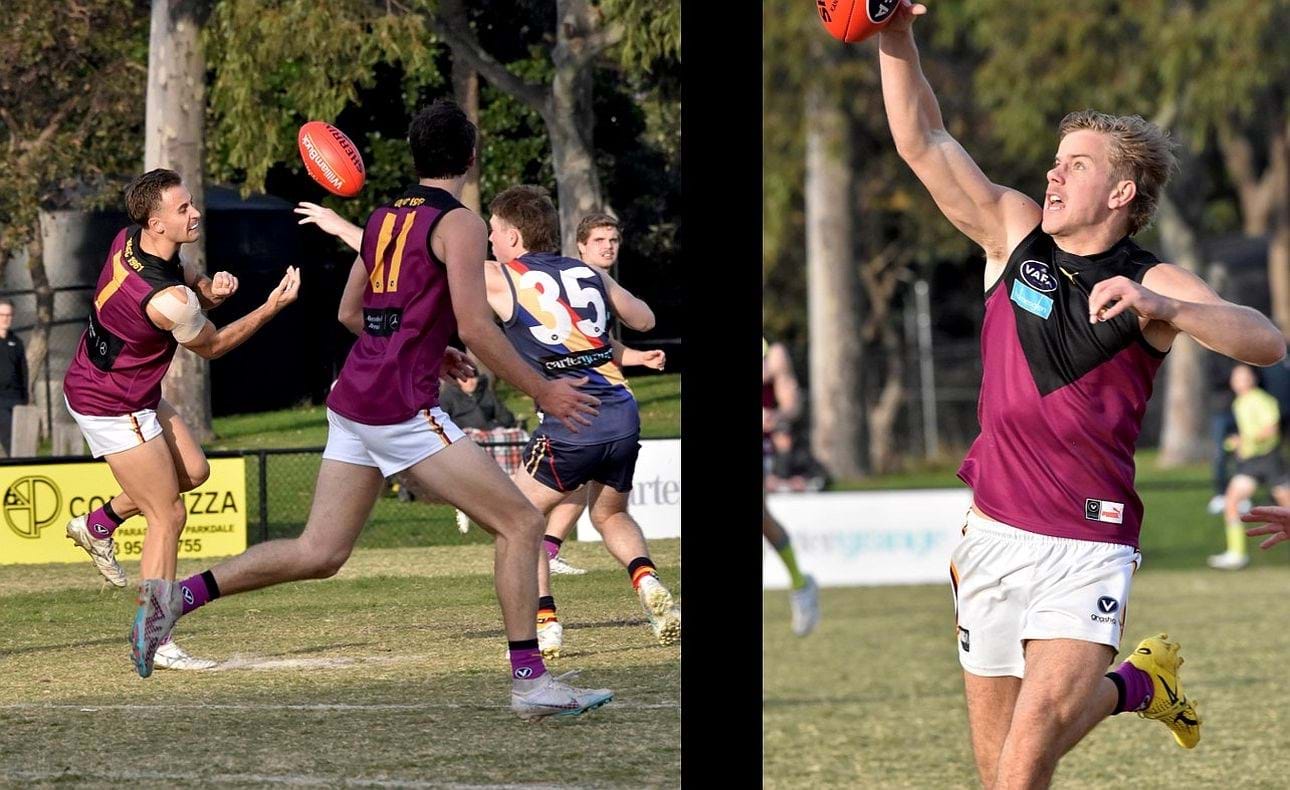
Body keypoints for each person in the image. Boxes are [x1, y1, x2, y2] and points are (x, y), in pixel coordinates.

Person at [879, 2, 1286, 784]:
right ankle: (1139, 684)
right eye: (1055, 161)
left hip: (1086, 548)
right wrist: (893, 33)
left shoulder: (1149, 279)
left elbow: (1263, 338)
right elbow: (921, 140)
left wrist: (1169, 308)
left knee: (1026, 757)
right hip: (991, 536)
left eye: (1077, 164)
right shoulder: (1013, 234)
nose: (1053, 172)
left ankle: (1133, 682)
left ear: (1123, 191)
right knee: (999, 767)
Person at [164, 100, 613, 720]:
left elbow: (354, 314)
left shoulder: (381, 218)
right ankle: (531, 685)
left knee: (319, 552)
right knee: (521, 525)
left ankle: (176, 598)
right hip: (399, 409)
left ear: (415, 153)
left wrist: (439, 347)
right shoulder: (461, 225)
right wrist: (543, 389)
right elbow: (480, 326)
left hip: (355, 398)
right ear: (472, 156)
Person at [61, 168, 300, 672]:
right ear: (155, 222)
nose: (195, 214)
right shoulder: (167, 301)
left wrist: (211, 288)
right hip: (112, 403)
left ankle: (96, 524)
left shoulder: (130, 240)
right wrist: (270, 307)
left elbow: (193, 289)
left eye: (192, 204)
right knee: (167, 515)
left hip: (122, 387)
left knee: (194, 473)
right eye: (184, 209)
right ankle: (155, 635)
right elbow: (210, 345)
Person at [480, 185, 680, 659]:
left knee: (517, 520)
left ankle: (545, 623)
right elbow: (645, 319)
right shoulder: (584, 270)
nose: (489, 241)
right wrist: (603, 289)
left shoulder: (503, 277)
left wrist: (347, 229)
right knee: (610, 513)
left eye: (492, 232)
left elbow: (414, 261)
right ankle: (647, 580)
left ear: (511, 235)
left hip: (574, 417)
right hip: (622, 411)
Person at [539, 213, 664, 576]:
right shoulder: (585, 279)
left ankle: (547, 551)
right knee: (590, 500)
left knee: (582, 485)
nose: (609, 246)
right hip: (570, 397)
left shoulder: (591, 280)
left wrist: (637, 357)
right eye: (600, 240)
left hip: (592, 398)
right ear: (580, 244)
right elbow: (643, 321)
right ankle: (544, 554)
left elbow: (599, 343)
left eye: (613, 240)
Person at [762, 337, 819, 636]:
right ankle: (801, 583)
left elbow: (792, 405)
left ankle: (799, 584)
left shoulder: (774, 353)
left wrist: (776, 416)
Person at [1208, 365, 1290, 570]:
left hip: (1270, 459)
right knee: (1232, 502)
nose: (1239, 381)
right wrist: (1240, 444)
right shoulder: (1239, 403)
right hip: (1251, 463)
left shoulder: (1263, 400)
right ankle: (1236, 554)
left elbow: (1271, 430)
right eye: (1236, 377)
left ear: (1253, 378)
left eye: (1244, 377)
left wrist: (1245, 440)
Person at [439, 369, 516, 430]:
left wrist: (493, 427)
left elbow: (506, 417)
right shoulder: (448, 397)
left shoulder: (487, 394)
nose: (469, 382)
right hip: (463, 436)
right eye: (464, 378)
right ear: (457, 380)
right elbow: (442, 421)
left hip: (490, 436)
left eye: (472, 377)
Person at [0, 299, 29, 455]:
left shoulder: (16, 342)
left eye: (9, 315)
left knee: (21, 439)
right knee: (9, 439)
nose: (5, 318)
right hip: (0, 400)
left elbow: (23, 371)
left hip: (16, 398)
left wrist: (25, 398)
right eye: (2, 315)